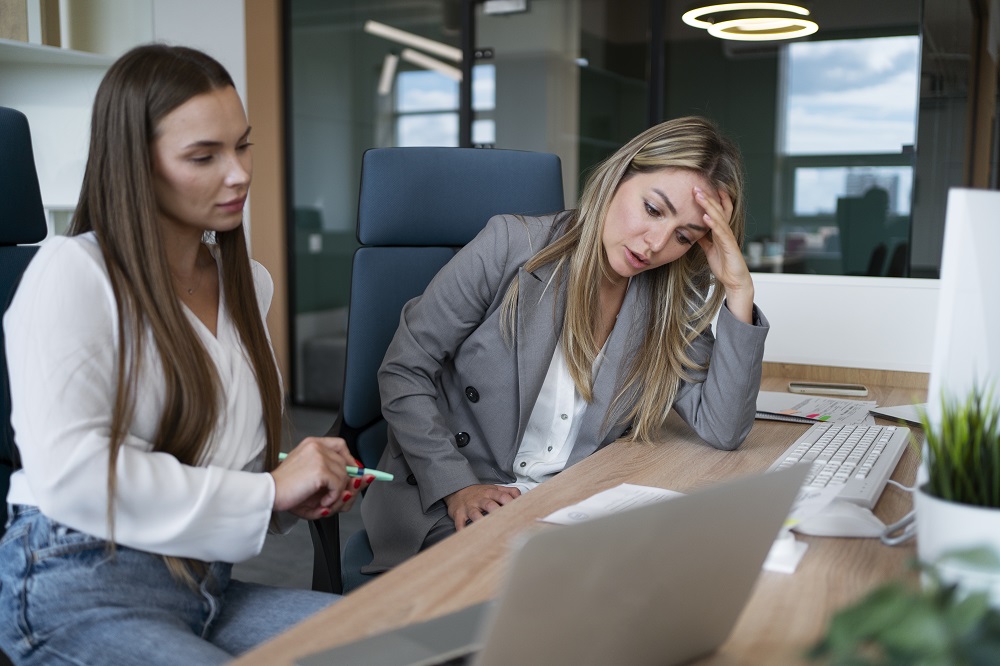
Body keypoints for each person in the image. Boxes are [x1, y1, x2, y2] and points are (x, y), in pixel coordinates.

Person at [0, 44, 371, 665]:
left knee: (395, 641)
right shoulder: (72, 275)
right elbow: (74, 476)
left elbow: (220, 457)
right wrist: (269, 493)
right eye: (204, 156)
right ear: (136, 165)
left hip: (205, 585)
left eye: (242, 145)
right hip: (79, 581)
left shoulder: (247, 284)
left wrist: (292, 491)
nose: (239, 174)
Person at [361, 116, 770, 573]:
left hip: (569, 503)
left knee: (686, 571)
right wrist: (457, 486)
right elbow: (403, 370)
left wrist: (738, 290)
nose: (655, 244)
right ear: (619, 176)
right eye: (653, 209)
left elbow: (724, 428)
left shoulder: (665, 301)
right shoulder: (510, 245)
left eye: (683, 237)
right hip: (455, 497)